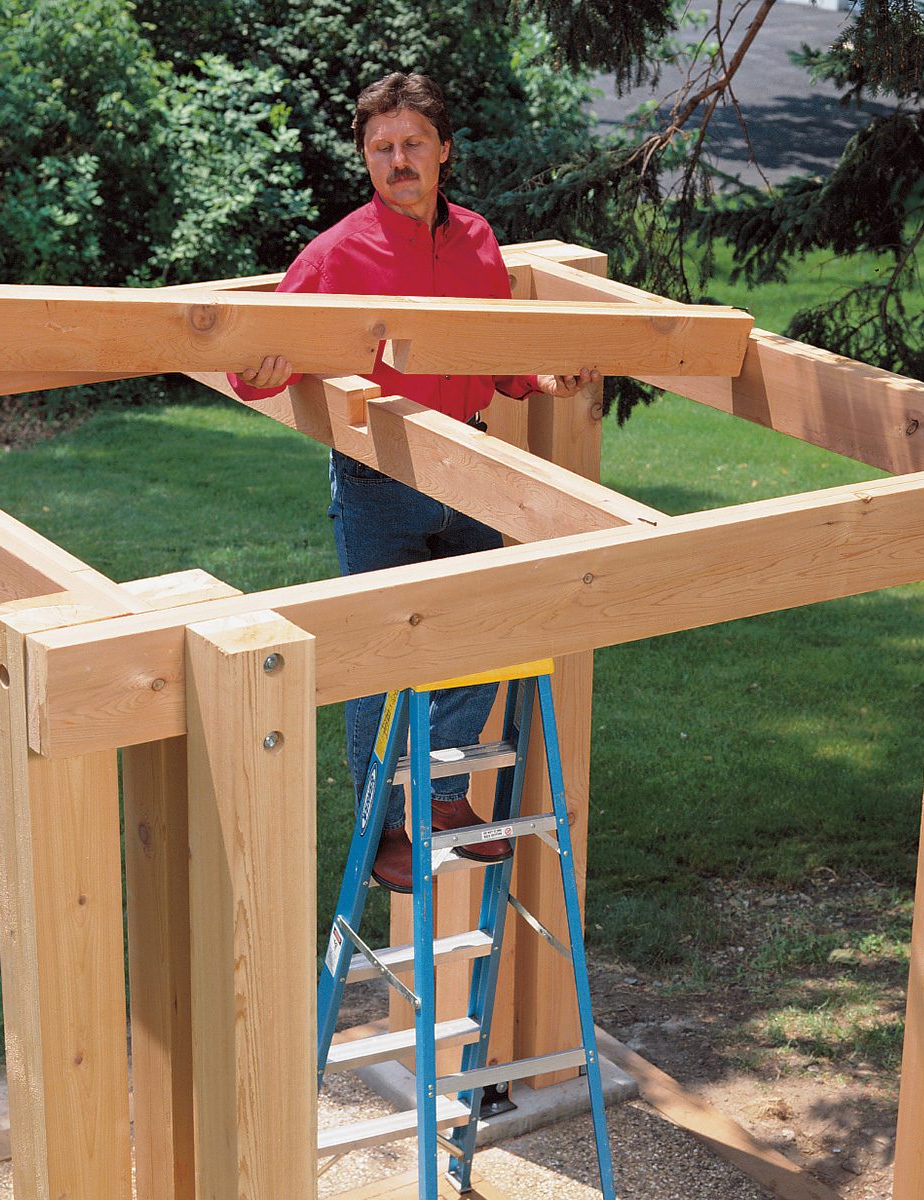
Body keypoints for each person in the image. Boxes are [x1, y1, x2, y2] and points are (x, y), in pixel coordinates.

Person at [229, 72, 599, 893]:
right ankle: (384, 824)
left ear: (443, 151)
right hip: (378, 475)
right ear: (365, 158)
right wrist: (262, 366)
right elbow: (252, 363)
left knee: (489, 627)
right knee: (384, 649)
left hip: (469, 466)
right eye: (382, 148)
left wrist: (541, 381)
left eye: (413, 145)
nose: (399, 161)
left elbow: (498, 361)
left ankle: (437, 797)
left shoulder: (475, 240)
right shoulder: (335, 253)